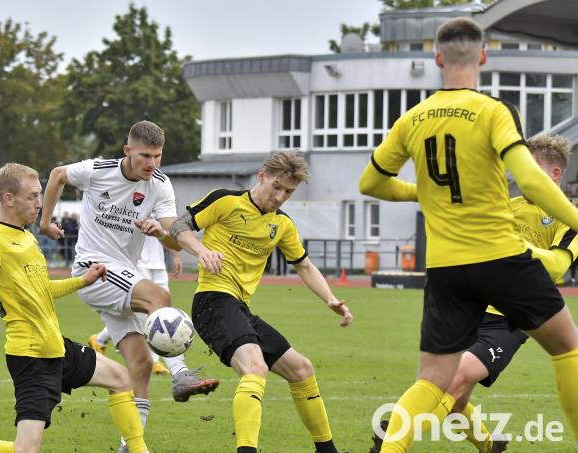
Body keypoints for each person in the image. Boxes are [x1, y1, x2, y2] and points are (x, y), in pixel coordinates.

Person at [359, 18, 578, 452]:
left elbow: (371, 184)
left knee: (432, 379)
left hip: (445, 269)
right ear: (482, 56)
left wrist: (422, 192)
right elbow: (531, 181)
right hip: (499, 257)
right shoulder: (494, 111)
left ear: (437, 59)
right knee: (567, 347)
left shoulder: (411, 119)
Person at [0, 163, 149, 453]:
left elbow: (42, 289)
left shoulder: (28, 238)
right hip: (31, 358)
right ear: (9, 199)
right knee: (25, 449)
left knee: (122, 379)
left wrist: (82, 280)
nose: (40, 203)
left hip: (56, 348)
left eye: (39, 195)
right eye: (32, 196)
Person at [369, 134, 577, 453]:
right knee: (455, 398)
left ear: (555, 173)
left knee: (454, 379)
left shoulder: (569, 219)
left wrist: (515, 248)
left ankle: (396, 437)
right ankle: (490, 446)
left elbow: (557, 266)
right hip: (469, 306)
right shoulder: (506, 207)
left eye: (530, 168)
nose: (522, 176)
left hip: (510, 318)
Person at [39, 121, 219, 452]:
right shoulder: (99, 170)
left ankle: (130, 445)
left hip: (122, 275)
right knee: (158, 296)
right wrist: (45, 221)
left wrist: (164, 235)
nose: (152, 163)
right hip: (94, 268)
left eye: (158, 156)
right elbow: (57, 175)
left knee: (141, 364)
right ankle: (180, 374)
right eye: (145, 156)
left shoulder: (160, 185)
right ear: (128, 151)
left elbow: (174, 234)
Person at [170, 151, 354, 453]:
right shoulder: (225, 200)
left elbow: (304, 265)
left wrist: (330, 299)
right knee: (256, 368)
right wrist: (202, 251)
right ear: (262, 176)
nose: (280, 197)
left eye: (289, 192)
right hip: (212, 302)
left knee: (302, 370)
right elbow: (179, 227)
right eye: (277, 187)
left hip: (239, 308)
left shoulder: (282, 224)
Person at [90, 234, 184, 377]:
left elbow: (166, 231)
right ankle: (154, 360)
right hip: (138, 262)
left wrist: (175, 255)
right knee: (145, 315)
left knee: (162, 311)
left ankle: (99, 339)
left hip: (158, 263)